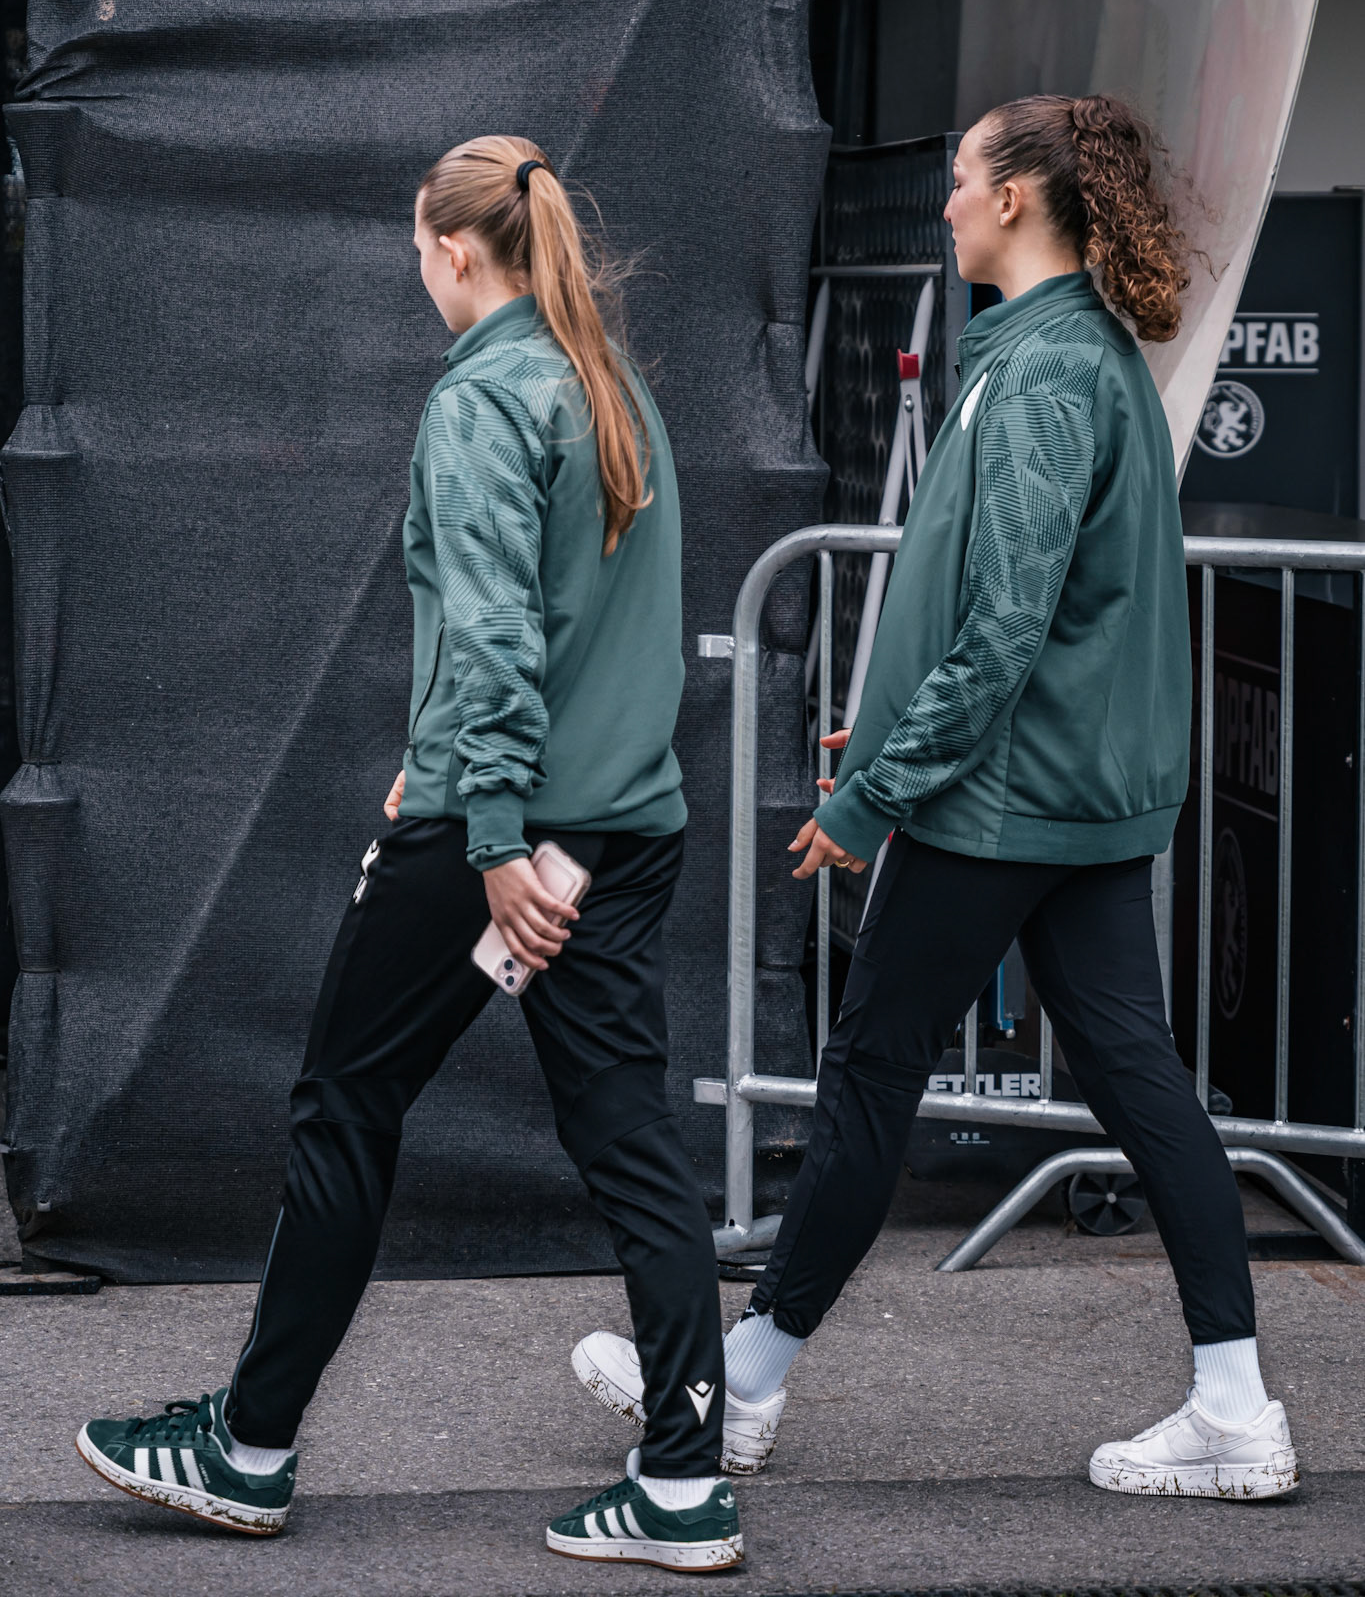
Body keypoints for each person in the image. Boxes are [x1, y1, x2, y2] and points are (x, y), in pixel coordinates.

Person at [575, 93, 1300, 1501]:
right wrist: (901, 721)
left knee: (864, 1080)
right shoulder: (1075, 356)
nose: (947, 198)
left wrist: (878, 788)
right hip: (1068, 794)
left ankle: (741, 1395)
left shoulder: (1035, 374)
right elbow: (1027, 613)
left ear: (1017, 200)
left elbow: (1007, 624)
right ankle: (1234, 1405)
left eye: (962, 178)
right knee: (1143, 1084)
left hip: (998, 800)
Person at [75, 136, 742, 1572]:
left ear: (452, 250)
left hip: (494, 837)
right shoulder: (607, 381)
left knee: (343, 1107)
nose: (415, 267)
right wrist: (461, 758)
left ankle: (245, 1451)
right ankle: (684, 1481)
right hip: (622, 830)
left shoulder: (488, 395)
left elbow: (503, 631)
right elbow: (571, 626)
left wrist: (488, 824)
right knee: (632, 1146)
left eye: (415, 247)